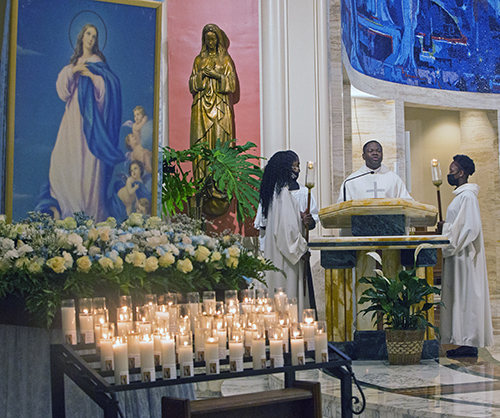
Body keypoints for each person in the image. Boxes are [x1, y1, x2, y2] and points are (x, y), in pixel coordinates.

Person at [48, 23, 124, 221]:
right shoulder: (73, 65)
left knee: (89, 167)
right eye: (88, 34)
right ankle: (69, 213)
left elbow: (107, 93)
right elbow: (63, 91)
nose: (91, 38)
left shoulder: (98, 63)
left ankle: (90, 216)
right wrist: (74, 71)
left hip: (91, 125)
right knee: (63, 161)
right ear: (82, 36)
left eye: (94, 35)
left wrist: (91, 76)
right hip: (72, 122)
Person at [437, 155, 494, 357]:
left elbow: (470, 228)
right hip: (457, 254)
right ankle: (461, 340)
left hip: (464, 256)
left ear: (461, 173)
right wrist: (447, 230)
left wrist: (447, 230)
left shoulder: (468, 197)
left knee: (466, 296)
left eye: (452, 171)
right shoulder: (461, 196)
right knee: (459, 297)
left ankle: (468, 343)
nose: (449, 174)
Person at [254, 151, 315, 319]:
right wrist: (302, 249)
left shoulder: (274, 193)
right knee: (289, 298)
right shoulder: (283, 196)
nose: (297, 170)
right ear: (285, 168)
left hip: (277, 256)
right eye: (294, 166)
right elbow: (288, 234)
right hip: (287, 260)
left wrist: (302, 219)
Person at [189, 23, 236, 180]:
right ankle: (202, 180)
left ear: (218, 40)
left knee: (219, 139)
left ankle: (219, 181)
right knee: (202, 142)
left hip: (220, 105)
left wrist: (216, 75)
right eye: (207, 39)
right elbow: (192, 83)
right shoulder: (198, 60)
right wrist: (202, 75)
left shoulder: (226, 60)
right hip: (201, 106)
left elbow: (232, 83)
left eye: (213, 39)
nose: (210, 42)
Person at [337, 140, 412, 202]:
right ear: (363, 156)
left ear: (382, 155)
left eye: (378, 151)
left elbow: (407, 201)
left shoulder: (394, 179)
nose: (375, 153)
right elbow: (342, 205)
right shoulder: (351, 181)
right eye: (370, 151)